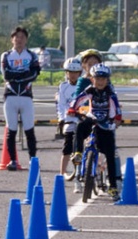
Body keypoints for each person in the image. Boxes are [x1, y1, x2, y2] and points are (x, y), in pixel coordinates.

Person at [67, 63, 123, 201]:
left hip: (105, 123)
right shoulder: (90, 90)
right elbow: (78, 98)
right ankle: (78, 153)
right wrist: (72, 109)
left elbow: (117, 108)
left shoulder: (110, 93)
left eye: (103, 79)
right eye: (97, 79)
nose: (100, 82)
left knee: (110, 154)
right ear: (92, 79)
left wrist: (117, 119)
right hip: (92, 119)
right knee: (80, 128)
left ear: (107, 80)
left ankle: (113, 185)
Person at [0, 26, 40, 171]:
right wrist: (23, 74)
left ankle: (33, 160)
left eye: (22, 37)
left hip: (26, 96)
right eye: (17, 37)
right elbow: (6, 75)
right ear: (12, 39)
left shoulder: (32, 55)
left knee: (29, 130)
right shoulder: (6, 55)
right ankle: (12, 161)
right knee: (11, 129)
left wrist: (17, 75)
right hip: (10, 96)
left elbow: (34, 74)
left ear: (26, 39)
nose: (19, 39)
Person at [55, 58, 83, 190]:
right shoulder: (63, 86)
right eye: (69, 72)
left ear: (80, 72)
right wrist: (61, 118)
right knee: (67, 147)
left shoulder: (84, 85)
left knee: (82, 148)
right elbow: (60, 105)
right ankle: (62, 174)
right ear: (66, 73)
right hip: (69, 120)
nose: (72, 75)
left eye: (75, 72)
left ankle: (82, 175)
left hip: (82, 120)